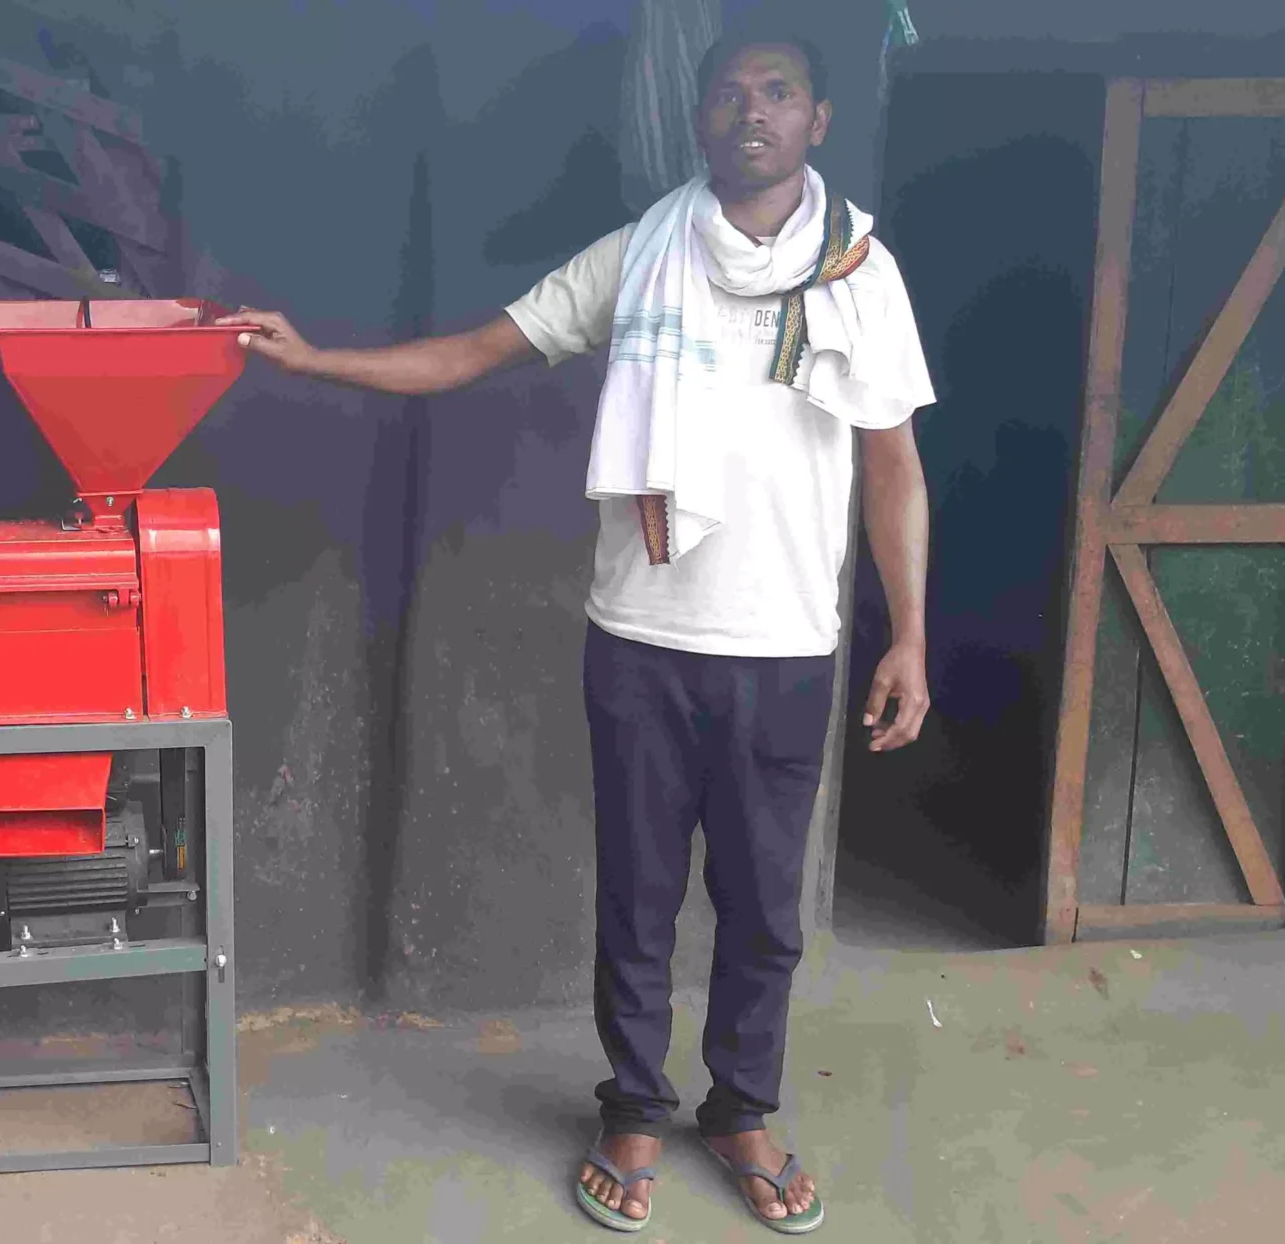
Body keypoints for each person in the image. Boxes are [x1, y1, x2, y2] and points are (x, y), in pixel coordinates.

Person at [218, 32, 933, 1235]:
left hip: (786, 646)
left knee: (765, 907)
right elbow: (475, 351)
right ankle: (634, 1108)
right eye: (728, 93)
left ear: (816, 122)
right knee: (638, 896)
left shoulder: (862, 272)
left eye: (776, 93)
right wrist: (316, 357)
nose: (749, 111)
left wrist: (907, 633)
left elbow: (895, 465)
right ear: (701, 120)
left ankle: (743, 1106)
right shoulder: (639, 255)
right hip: (643, 634)